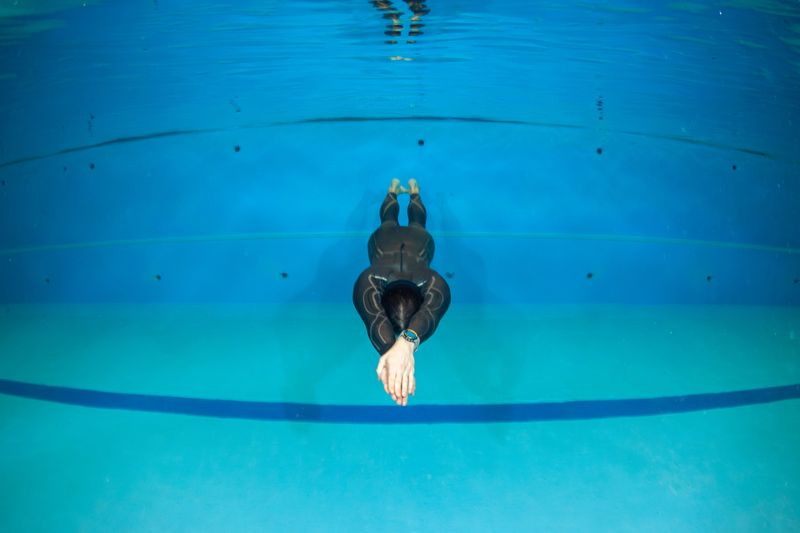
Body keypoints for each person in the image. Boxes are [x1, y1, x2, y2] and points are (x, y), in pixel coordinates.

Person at [353, 178, 451, 406]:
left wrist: (401, 346)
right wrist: (396, 349)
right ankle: (396, 191)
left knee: (417, 225)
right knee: (388, 221)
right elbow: (374, 317)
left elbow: (431, 310)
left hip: (419, 240)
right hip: (383, 240)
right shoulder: (371, 276)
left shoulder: (430, 279)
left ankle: (412, 193)